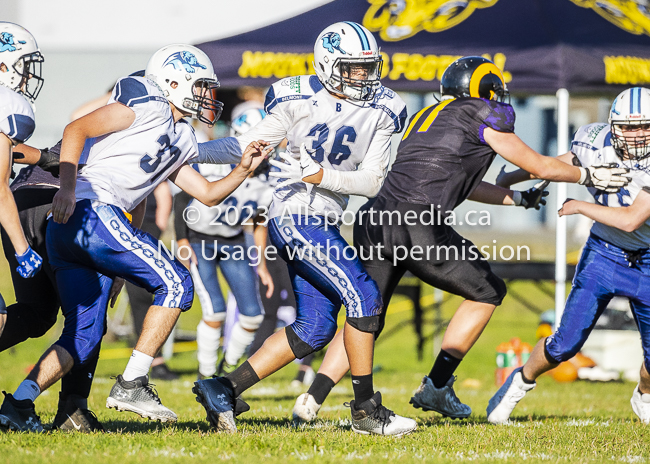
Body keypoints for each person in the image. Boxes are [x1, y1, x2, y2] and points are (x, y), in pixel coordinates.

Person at [290, 56, 632, 424]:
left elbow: (459, 182)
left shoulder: (430, 117)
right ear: (485, 91)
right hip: (415, 222)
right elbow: (541, 166)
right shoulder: (483, 112)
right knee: (487, 290)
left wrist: (518, 198)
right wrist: (586, 174)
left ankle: (311, 400)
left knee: (365, 313)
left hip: (375, 218)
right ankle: (437, 385)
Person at [0, 43, 270, 431]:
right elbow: (77, 128)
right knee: (177, 282)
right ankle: (132, 382)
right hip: (89, 211)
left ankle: (19, 404)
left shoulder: (181, 138)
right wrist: (68, 188)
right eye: (200, 86)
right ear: (173, 81)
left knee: (86, 332)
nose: (206, 96)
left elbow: (208, 193)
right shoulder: (150, 105)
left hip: (82, 228)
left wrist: (243, 169)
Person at [191, 21, 416, 436]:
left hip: (324, 217)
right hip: (293, 214)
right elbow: (248, 146)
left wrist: (319, 175)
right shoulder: (296, 98)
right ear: (329, 64)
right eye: (354, 68)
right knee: (364, 293)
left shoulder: (385, 108)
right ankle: (366, 410)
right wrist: (186, 151)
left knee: (316, 327)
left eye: (369, 67)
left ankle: (222, 388)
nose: (365, 77)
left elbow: (372, 182)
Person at [486, 87, 650, 425]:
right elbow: (568, 162)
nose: (636, 135)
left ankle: (644, 395)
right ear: (612, 125)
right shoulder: (594, 140)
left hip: (647, 261)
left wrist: (579, 206)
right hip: (605, 254)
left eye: (645, 126)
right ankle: (519, 382)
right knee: (564, 345)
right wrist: (518, 174)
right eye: (628, 127)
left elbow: (632, 218)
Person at [0, 141, 107, 433]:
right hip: (60, 204)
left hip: (19, 201)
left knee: (36, 312)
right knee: (87, 315)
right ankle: (73, 410)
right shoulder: (138, 123)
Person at [175, 107, 273, 380]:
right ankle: (206, 376)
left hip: (234, 241)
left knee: (253, 316)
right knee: (215, 311)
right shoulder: (214, 162)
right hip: (199, 240)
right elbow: (181, 199)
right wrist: (182, 240)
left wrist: (262, 265)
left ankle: (227, 369)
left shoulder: (270, 179)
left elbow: (259, 221)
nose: (265, 150)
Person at [0, 22, 45, 342]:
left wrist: (45, 158)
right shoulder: (7, 105)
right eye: (23, 66)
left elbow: (12, 151)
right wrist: (22, 248)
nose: (28, 76)